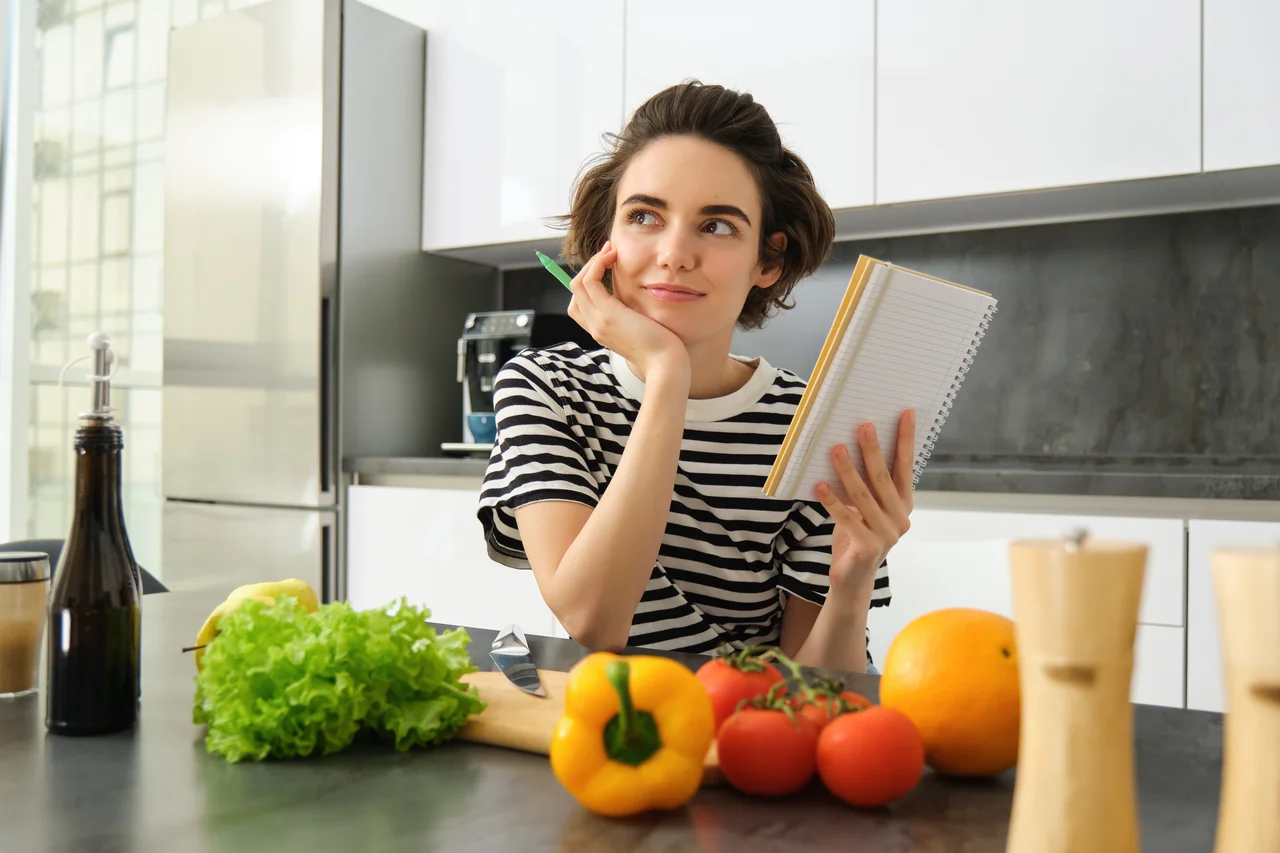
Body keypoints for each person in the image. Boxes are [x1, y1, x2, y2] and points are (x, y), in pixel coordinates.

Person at [477, 81, 915, 673]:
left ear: (769, 260)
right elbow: (594, 620)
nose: (674, 253)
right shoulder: (545, 387)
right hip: (609, 725)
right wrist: (665, 374)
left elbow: (817, 688)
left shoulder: (810, 423)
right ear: (607, 242)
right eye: (644, 217)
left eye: (717, 226)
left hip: (754, 740)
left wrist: (854, 575)